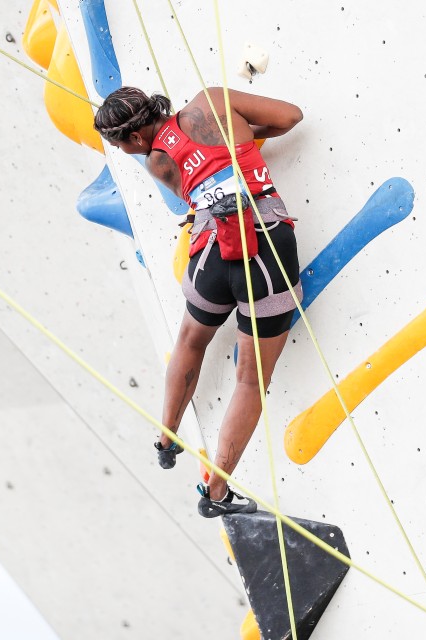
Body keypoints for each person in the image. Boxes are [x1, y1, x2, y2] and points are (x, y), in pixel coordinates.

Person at [93, 86, 304, 518]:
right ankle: (217, 493)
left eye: (121, 147)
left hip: (210, 252)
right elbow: (290, 116)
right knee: (250, 379)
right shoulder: (213, 100)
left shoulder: (156, 162)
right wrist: (245, 136)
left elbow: (196, 171)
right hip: (264, 245)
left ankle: (167, 437)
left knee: (190, 340)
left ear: (134, 140)